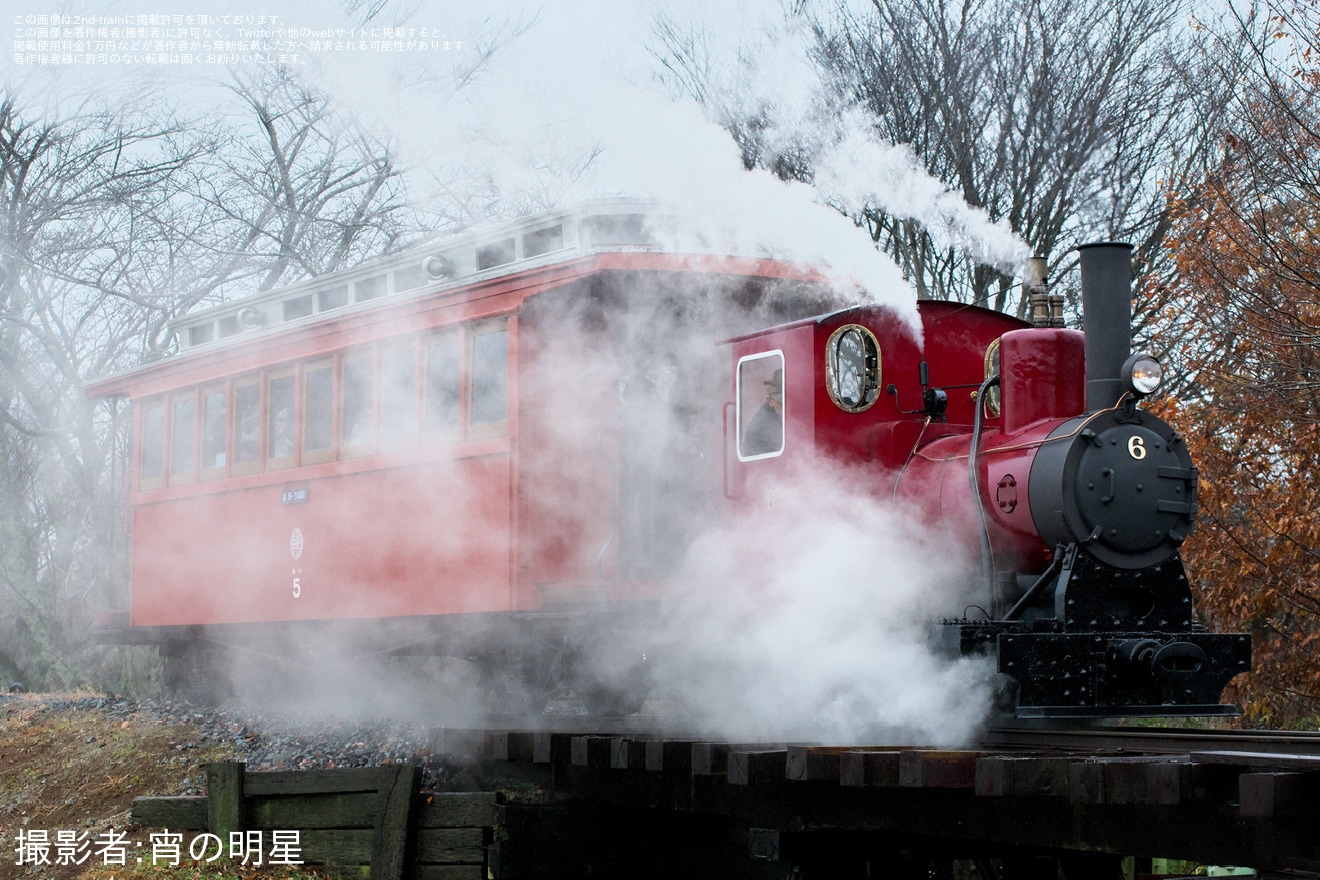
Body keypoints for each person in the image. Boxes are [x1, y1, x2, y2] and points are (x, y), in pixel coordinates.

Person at [742, 368, 783, 456]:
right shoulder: (763, 425)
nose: (786, 406)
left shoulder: (776, 417)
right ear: (770, 400)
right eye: (781, 402)